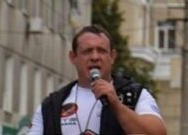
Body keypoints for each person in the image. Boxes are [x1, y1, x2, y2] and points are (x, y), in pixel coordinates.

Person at [28, 24, 166, 135]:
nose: (95, 57)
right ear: (73, 57)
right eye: (87, 51)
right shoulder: (52, 105)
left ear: (112, 57)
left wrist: (116, 104)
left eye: (101, 51)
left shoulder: (133, 95)